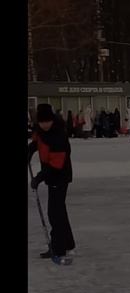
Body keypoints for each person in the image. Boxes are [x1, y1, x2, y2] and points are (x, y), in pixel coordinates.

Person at [28, 104, 75, 265]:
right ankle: (68, 243)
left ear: (52, 120)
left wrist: (38, 178)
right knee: (59, 210)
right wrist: (29, 151)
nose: (45, 125)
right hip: (51, 175)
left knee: (54, 213)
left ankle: (58, 248)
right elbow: (37, 143)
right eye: (42, 122)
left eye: (47, 121)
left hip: (60, 176)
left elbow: (56, 164)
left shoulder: (58, 135)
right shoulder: (40, 131)